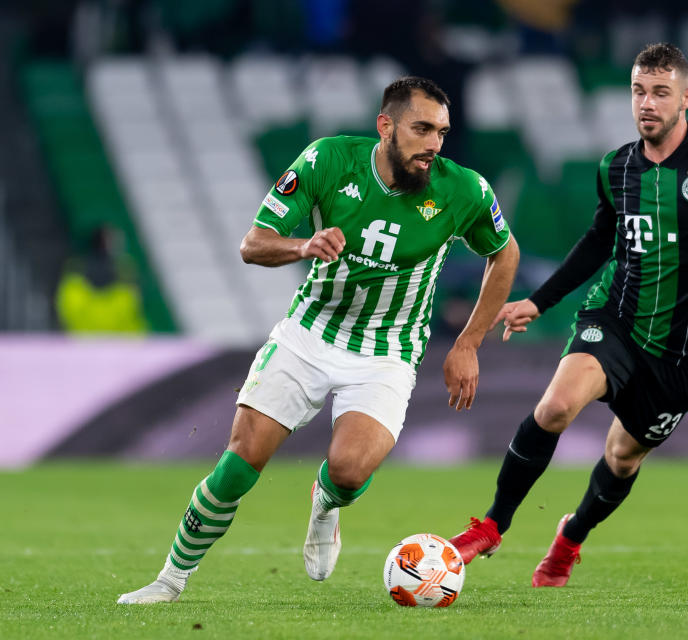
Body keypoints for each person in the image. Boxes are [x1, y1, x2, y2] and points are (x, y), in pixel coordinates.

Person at [449, 43, 688, 588]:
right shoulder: (616, 167)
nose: (647, 103)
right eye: (639, 91)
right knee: (556, 406)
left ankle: (570, 537)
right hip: (614, 318)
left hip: (682, 354)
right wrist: (540, 301)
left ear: (686, 97)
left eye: (660, 92)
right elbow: (596, 242)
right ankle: (491, 526)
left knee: (623, 457)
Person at [117, 76, 519, 604]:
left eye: (441, 133)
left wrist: (467, 342)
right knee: (238, 464)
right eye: (421, 130)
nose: (433, 146)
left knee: (350, 471)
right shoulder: (327, 161)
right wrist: (304, 244)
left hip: (388, 349)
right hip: (309, 333)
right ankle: (170, 580)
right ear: (386, 126)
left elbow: (504, 253)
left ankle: (326, 504)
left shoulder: (464, 189)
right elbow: (253, 245)